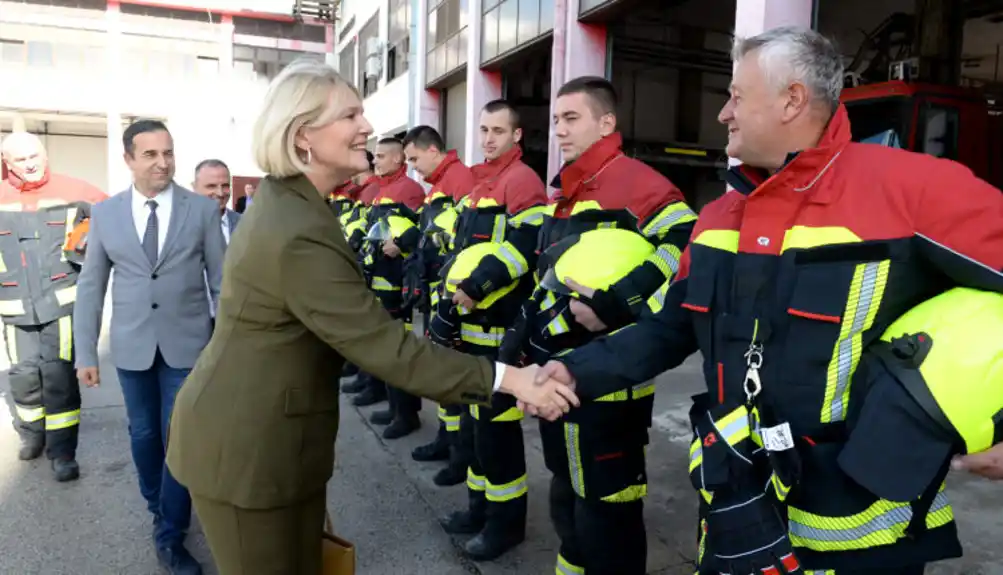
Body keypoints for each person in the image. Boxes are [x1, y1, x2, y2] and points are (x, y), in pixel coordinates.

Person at [532, 27, 1003, 575]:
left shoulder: (916, 191)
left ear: (792, 99)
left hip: (866, 534)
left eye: (736, 95)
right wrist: (571, 372)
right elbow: (666, 328)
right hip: (739, 512)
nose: (723, 114)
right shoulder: (717, 220)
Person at [162, 59, 577, 575]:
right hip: (250, 452)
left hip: (275, 443)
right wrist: (513, 379)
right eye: (351, 115)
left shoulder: (296, 204)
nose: (368, 128)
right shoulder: (297, 228)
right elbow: (385, 347)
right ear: (302, 136)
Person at [501, 76, 697, 575]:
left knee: (608, 512)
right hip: (558, 375)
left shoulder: (639, 184)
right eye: (556, 120)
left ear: (606, 122)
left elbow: (685, 250)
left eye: (572, 118)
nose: (560, 130)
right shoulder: (569, 190)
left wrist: (616, 304)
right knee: (567, 499)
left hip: (610, 389)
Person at [73, 119, 227, 575]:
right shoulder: (105, 215)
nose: (162, 163)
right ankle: (160, 505)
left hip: (188, 347)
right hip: (132, 347)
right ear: (128, 160)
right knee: (143, 437)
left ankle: (169, 532)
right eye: (150, 155)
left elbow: (222, 285)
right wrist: (85, 353)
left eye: (168, 153)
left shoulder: (200, 210)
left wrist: (222, 349)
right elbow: (91, 286)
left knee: (178, 439)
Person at [438, 99, 549, 561]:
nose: (487, 139)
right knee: (474, 431)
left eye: (498, 131)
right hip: (472, 329)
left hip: (501, 331)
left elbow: (523, 250)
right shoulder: (481, 182)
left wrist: (471, 290)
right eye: (483, 129)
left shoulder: (522, 181)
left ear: (516, 136)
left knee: (498, 436)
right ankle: (478, 509)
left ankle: (506, 525)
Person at [0, 127, 107, 482]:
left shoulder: (74, 190)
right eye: (20, 159)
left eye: (34, 157)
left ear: (44, 155)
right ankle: (33, 435)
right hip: (14, 307)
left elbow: (113, 216)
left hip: (61, 303)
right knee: (23, 376)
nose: (29, 165)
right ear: (6, 162)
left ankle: (63, 452)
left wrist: (88, 239)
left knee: (59, 376)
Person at [400, 124, 477, 486]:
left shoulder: (461, 181)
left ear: (434, 151)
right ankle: (446, 441)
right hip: (436, 293)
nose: (414, 168)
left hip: (455, 299)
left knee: (455, 376)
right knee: (443, 375)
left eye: (415, 158)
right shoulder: (441, 186)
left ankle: (460, 456)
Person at [352, 136, 427, 440]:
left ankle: (407, 414)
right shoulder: (382, 189)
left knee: (399, 352)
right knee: (384, 349)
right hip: (378, 283)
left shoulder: (409, 190)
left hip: (397, 287)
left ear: (398, 159)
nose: (376, 161)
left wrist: (400, 244)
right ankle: (394, 406)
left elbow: (416, 233)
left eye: (381, 156)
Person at [191, 159, 240, 326]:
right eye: (211, 186)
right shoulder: (179, 227)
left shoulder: (247, 226)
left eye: (225, 185)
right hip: (191, 326)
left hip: (235, 323)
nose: (220, 193)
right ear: (194, 187)